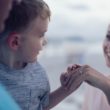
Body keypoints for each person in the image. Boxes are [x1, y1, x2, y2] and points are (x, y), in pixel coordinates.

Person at [0, 0, 84, 110]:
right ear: (15, 42)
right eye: (41, 35)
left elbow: (43, 105)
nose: (45, 41)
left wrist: (66, 89)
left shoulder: (38, 73)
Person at [61, 24, 110, 105]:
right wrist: (66, 88)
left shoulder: (101, 83)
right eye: (108, 36)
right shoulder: (94, 88)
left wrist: (106, 86)